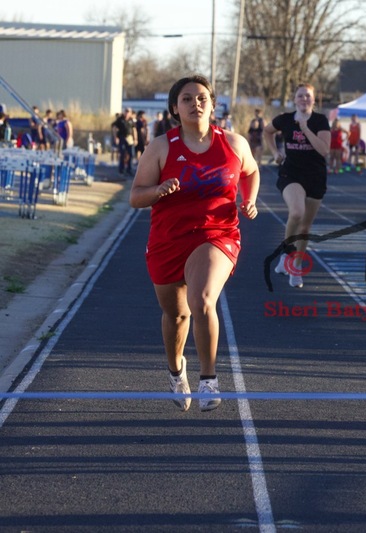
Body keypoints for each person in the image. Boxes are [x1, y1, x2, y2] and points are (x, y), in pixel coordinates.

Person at [129, 75, 259, 412]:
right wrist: (157, 191)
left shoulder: (233, 143)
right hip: (169, 238)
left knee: (202, 300)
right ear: (175, 108)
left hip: (217, 234)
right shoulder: (161, 147)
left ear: (213, 105)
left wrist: (250, 199)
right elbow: (135, 196)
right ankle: (176, 371)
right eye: (186, 99)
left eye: (202, 98)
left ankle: (209, 379)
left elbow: (251, 171)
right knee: (176, 315)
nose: (195, 103)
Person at [264, 83, 331, 288]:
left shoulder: (320, 121)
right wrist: (276, 152)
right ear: (294, 99)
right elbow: (267, 132)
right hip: (291, 173)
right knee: (296, 212)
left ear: (313, 99)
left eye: (307, 96)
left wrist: (304, 128)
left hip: (316, 177)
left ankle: (296, 267)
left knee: (305, 226)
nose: (304, 99)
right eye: (300, 96)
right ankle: (286, 254)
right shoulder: (284, 119)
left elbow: (324, 150)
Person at [113, 108, 137, 175]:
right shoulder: (120, 120)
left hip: (130, 138)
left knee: (131, 154)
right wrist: (116, 137)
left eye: (128, 112)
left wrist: (135, 138)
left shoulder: (131, 120)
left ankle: (129, 169)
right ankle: (121, 169)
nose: (127, 113)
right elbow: (114, 128)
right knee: (122, 153)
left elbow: (134, 129)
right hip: (122, 137)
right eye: (126, 112)